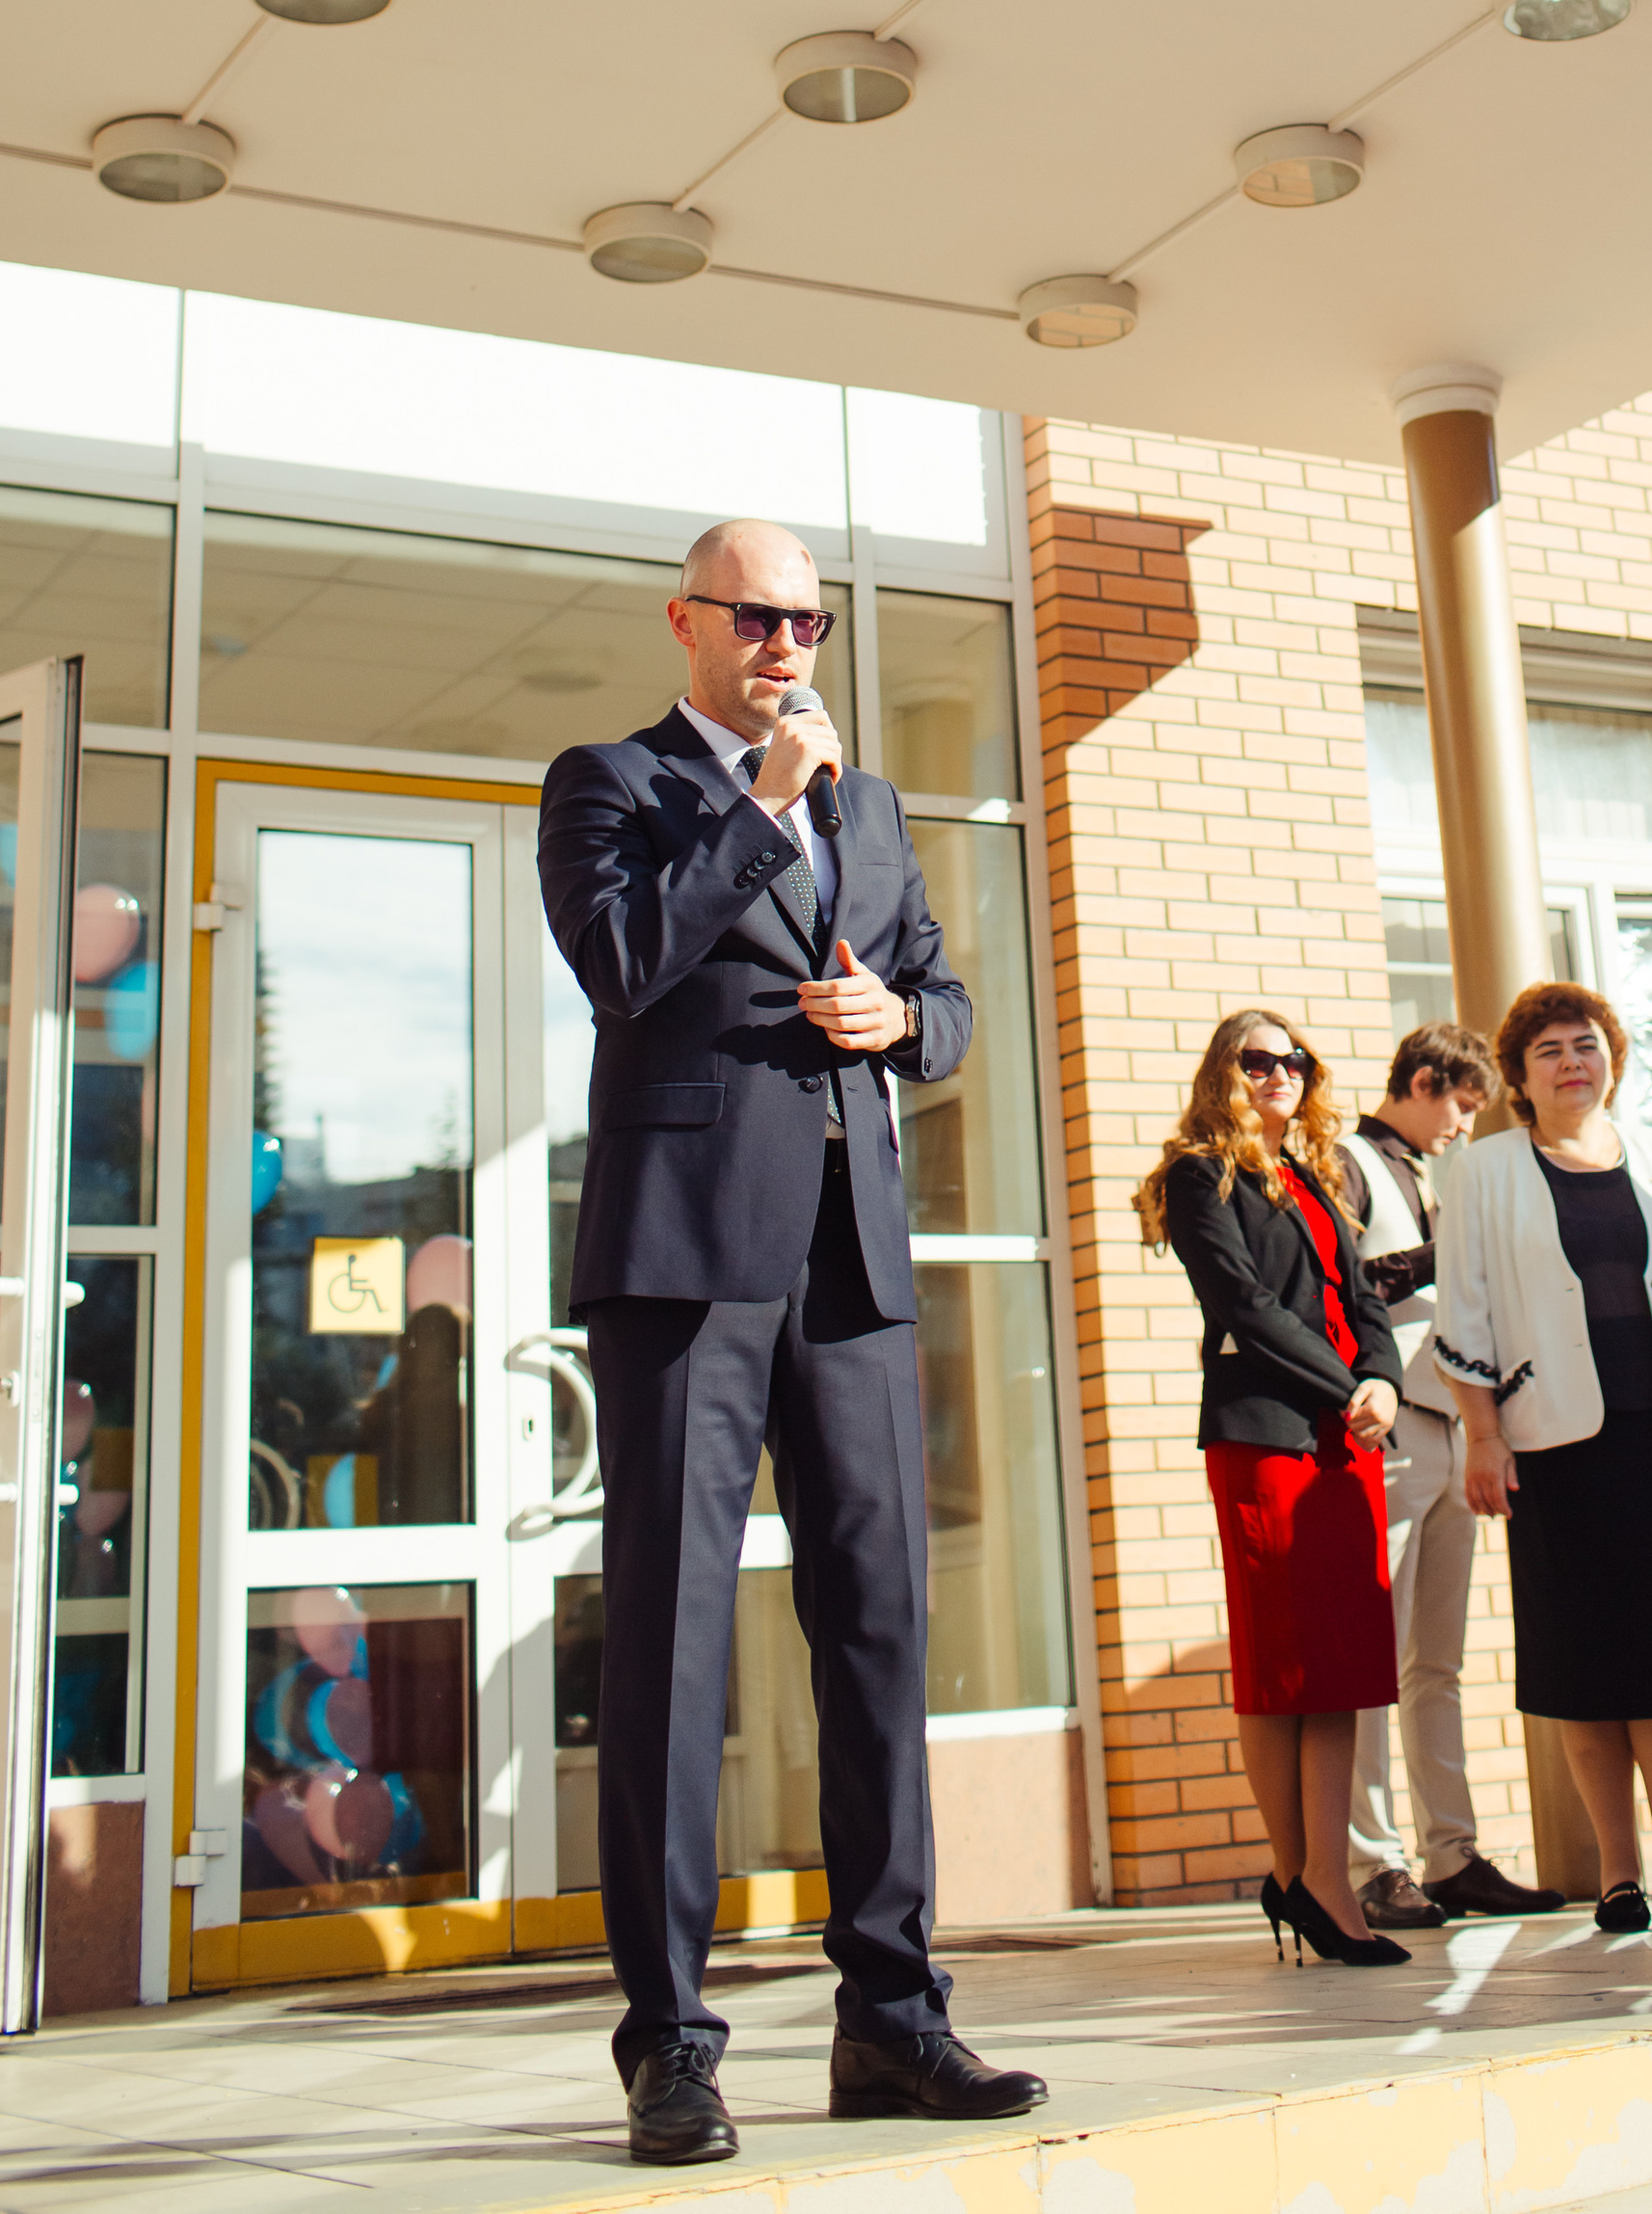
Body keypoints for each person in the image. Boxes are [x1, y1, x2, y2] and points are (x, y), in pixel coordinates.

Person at [539, 518, 1047, 2162]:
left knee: (881, 1633)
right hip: (687, 1261)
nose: (787, 646)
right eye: (757, 616)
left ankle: (893, 2016)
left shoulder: (875, 805)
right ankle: (671, 2046)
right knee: (675, 1653)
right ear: (685, 618)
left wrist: (906, 1024)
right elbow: (623, 967)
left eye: (811, 623)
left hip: (852, 1268)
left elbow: (946, 996)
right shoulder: (611, 782)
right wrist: (759, 811)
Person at [1433, 978, 1652, 1934]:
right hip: (1551, 1449)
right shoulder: (1483, 1172)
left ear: (1610, 1059)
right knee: (1583, 1664)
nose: (1573, 1062)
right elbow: (1466, 1311)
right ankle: (1618, 1875)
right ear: (1519, 1079)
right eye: (1550, 1052)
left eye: (1586, 1045)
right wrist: (1481, 1437)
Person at [1136, 1008, 1410, 1967]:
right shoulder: (1199, 1176)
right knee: (1282, 1667)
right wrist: (1349, 1389)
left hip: (1346, 1439)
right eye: (1255, 1061)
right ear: (1224, 1074)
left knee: (1336, 1669)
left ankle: (1314, 1878)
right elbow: (1243, 1306)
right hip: (1266, 1438)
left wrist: (1381, 1380)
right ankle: (1306, 1876)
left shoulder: (1318, 1175)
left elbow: (1364, 1295)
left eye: (1291, 1060)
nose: (1277, 1074)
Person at [1332, 1021, 1561, 1929]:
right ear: (1424, 1081)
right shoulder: (1349, 1159)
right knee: (1377, 1660)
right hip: (1388, 1435)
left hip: (1452, 1429)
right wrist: (1455, 1254)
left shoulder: (1438, 1175)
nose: (1465, 1125)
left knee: (1439, 1662)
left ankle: (1450, 1853)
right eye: (1461, 1106)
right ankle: (1371, 1862)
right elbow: (1345, 1281)